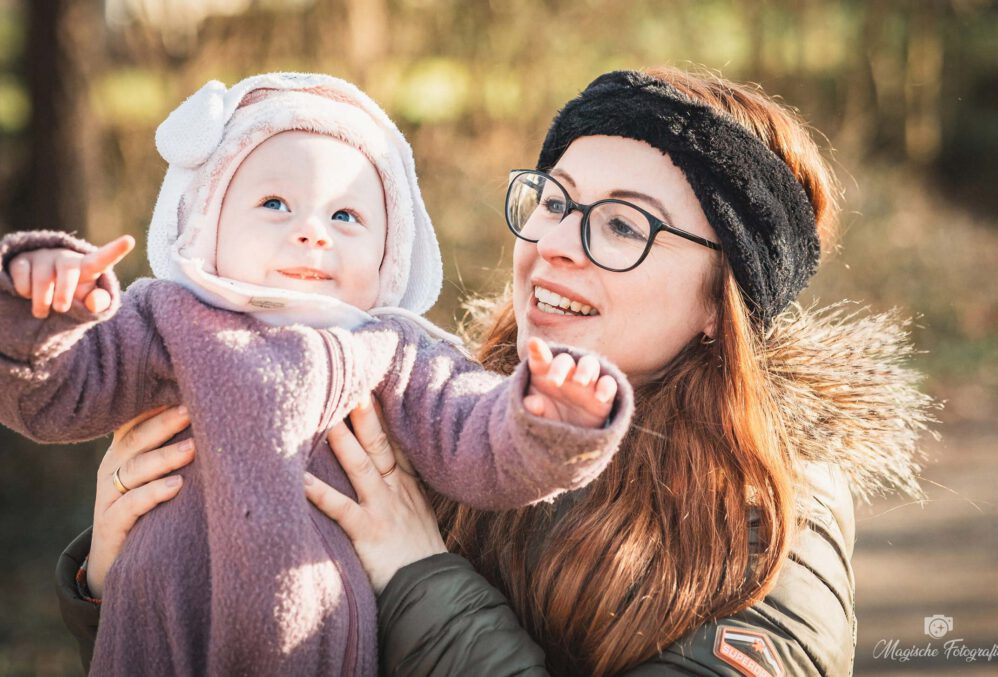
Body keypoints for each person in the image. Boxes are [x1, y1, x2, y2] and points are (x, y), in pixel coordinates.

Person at [54, 68, 934, 675]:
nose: (553, 245)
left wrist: (417, 576)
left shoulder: (773, 519)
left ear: (719, 301)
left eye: (622, 226)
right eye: (552, 202)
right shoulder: (436, 411)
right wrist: (112, 569)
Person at [0, 73, 638, 676]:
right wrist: (40, 311)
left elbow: (477, 440)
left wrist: (548, 419)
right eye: (275, 203)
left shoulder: (394, 351)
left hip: (315, 646)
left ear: (389, 253)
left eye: (345, 217)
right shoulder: (162, 318)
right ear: (206, 223)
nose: (311, 233)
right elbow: (51, 396)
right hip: (154, 629)